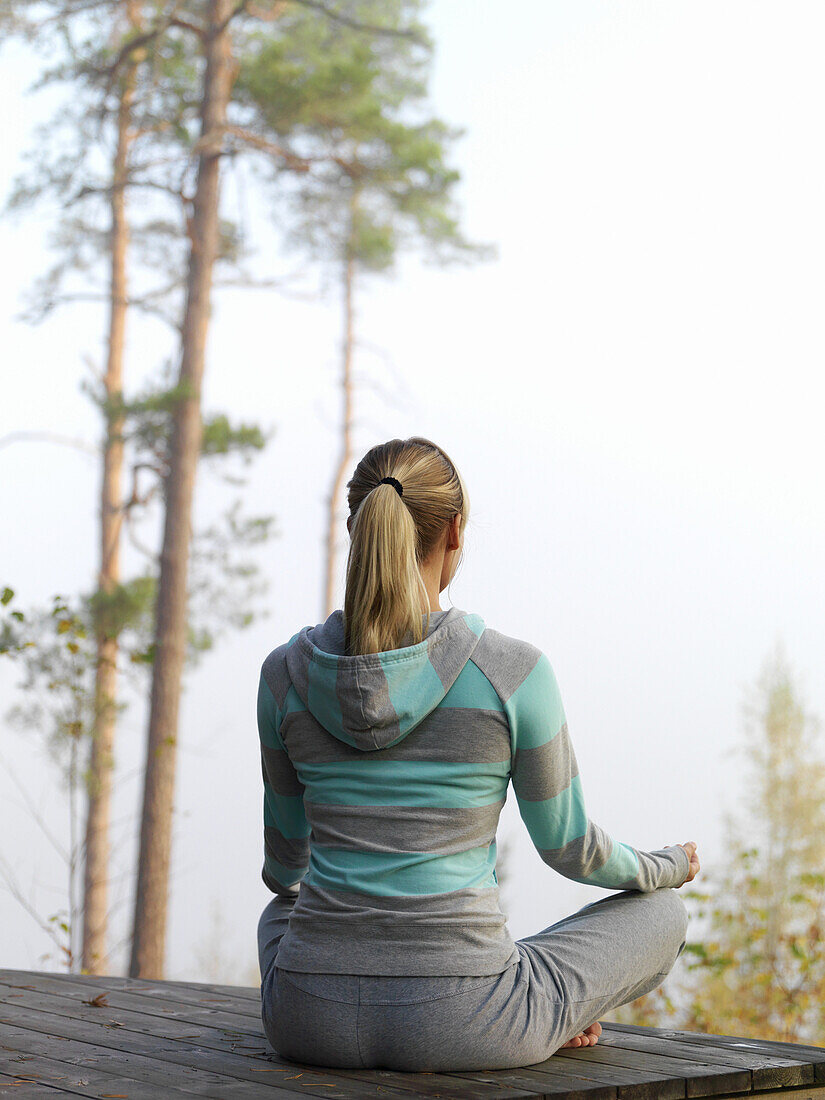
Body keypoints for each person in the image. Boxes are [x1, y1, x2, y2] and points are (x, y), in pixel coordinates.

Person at [256, 435, 700, 1072]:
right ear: (455, 531)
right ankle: (551, 1009)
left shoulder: (284, 676)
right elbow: (571, 849)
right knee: (663, 913)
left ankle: (528, 999)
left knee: (282, 910)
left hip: (307, 1018)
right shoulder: (513, 672)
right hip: (471, 1019)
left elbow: (283, 869)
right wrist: (666, 866)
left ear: (357, 528)